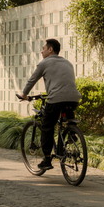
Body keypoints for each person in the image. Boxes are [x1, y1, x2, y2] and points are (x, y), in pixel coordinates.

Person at [18, 38, 81, 170]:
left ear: (50, 49)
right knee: (67, 117)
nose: (41, 51)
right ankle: (71, 133)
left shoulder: (44, 63)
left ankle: (47, 160)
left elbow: (32, 80)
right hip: (74, 98)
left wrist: (24, 94)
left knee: (47, 125)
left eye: (43, 48)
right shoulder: (68, 63)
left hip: (56, 99)